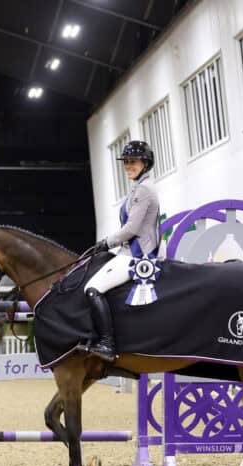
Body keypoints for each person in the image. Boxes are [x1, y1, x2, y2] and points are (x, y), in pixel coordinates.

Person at [84, 140, 162, 361]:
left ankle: (107, 344)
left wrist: (106, 242)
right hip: (128, 251)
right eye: (126, 162)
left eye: (133, 162)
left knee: (92, 289)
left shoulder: (144, 189)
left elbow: (132, 229)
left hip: (137, 255)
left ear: (145, 163)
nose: (128, 166)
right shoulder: (139, 187)